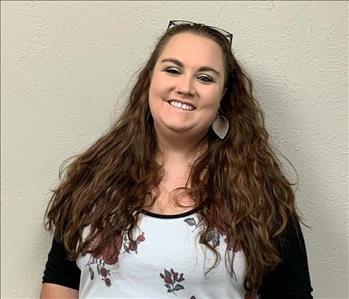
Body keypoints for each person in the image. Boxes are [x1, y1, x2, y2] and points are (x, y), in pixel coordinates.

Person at [40, 20, 313, 299]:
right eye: (173, 70)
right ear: (149, 80)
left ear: (224, 96)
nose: (185, 87)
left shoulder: (259, 194)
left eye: (205, 78)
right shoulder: (94, 178)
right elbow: (61, 280)